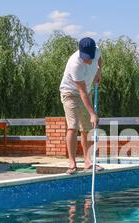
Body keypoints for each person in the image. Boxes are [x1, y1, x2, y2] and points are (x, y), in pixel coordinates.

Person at [60, 37, 104, 175]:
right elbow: (82, 92)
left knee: (86, 128)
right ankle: (72, 163)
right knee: (73, 127)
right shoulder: (75, 64)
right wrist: (92, 113)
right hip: (70, 93)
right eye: (85, 57)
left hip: (87, 91)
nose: (88, 60)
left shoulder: (97, 51)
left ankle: (88, 161)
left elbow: (100, 60)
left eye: (89, 57)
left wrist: (98, 71)